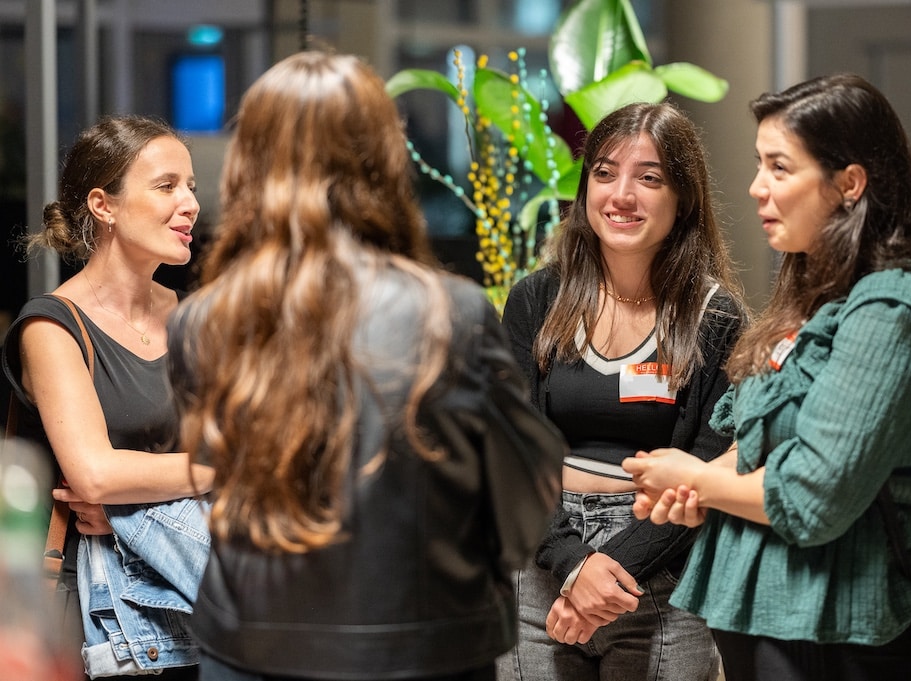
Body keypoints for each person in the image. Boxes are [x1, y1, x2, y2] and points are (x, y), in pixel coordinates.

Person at [163, 50, 566, 681]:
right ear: (384, 159)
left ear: (248, 163)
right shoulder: (452, 314)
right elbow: (527, 495)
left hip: (249, 645)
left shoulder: (201, 322)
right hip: (426, 648)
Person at [623, 73, 911, 681]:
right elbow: (759, 448)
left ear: (848, 183)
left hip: (836, 630)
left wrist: (695, 478)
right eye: (758, 164)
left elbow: (811, 494)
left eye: (779, 168)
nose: (756, 188)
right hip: (767, 619)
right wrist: (695, 488)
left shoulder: (894, 312)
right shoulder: (813, 301)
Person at [495, 102, 747, 681]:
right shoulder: (536, 300)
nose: (621, 195)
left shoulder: (714, 317)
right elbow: (511, 453)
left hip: (663, 577)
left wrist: (607, 570)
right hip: (542, 565)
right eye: (604, 173)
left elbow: (709, 469)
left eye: (649, 178)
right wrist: (572, 566)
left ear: (683, 198)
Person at [1, 115, 213, 680]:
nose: (190, 203)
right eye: (166, 186)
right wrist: (228, 470)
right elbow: (93, 475)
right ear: (104, 205)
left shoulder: (193, 318)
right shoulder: (51, 326)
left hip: (189, 594)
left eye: (191, 186)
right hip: (99, 618)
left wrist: (132, 502)